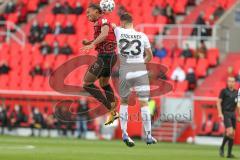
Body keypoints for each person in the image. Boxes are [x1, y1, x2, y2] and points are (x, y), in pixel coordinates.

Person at [113, 13, 157, 147]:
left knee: (124, 102)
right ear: (133, 22)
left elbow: (110, 25)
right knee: (144, 103)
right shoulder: (142, 36)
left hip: (125, 71)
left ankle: (125, 132)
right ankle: (149, 135)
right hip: (140, 70)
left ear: (123, 23)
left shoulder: (118, 31)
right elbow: (150, 56)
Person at [81, 3, 118, 125]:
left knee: (87, 83)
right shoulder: (100, 22)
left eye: (89, 12)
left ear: (97, 11)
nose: (87, 15)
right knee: (104, 83)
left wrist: (92, 45)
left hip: (105, 57)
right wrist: (90, 42)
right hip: (110, 56)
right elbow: (105, 38)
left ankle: (111, 109)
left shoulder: (104, 20)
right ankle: (113, 107)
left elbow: (104, 34)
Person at [217, 77, 240, 158]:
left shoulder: (237, 92)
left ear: (235, 83)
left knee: (232, 135)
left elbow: (238, 105)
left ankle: (229, 154)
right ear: (227, 82)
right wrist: (220, 113)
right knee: (230, 132)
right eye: (230, 81)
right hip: (226, 113)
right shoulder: (223, 91)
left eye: (233, 81)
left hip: (233, 114)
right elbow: (218, 102)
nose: (231, 83)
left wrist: (238, 115)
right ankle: (222, 147)